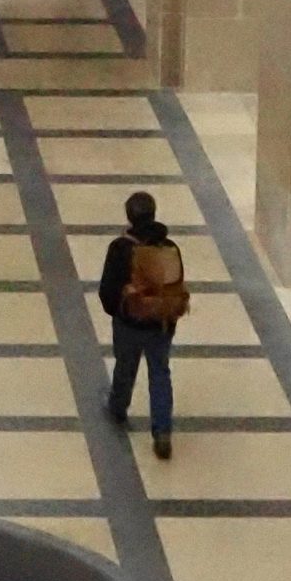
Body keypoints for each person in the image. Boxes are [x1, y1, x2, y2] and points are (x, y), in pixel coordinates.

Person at [97, 190, 187, 458]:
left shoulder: (121, 248)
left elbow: (107, 291)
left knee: (126, 366)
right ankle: (162, 431)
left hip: (129, 322)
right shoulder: (170, 247)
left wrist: (118, 310)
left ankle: (118, 408)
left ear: (129, 216)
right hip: (161, 322)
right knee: (160, 372)